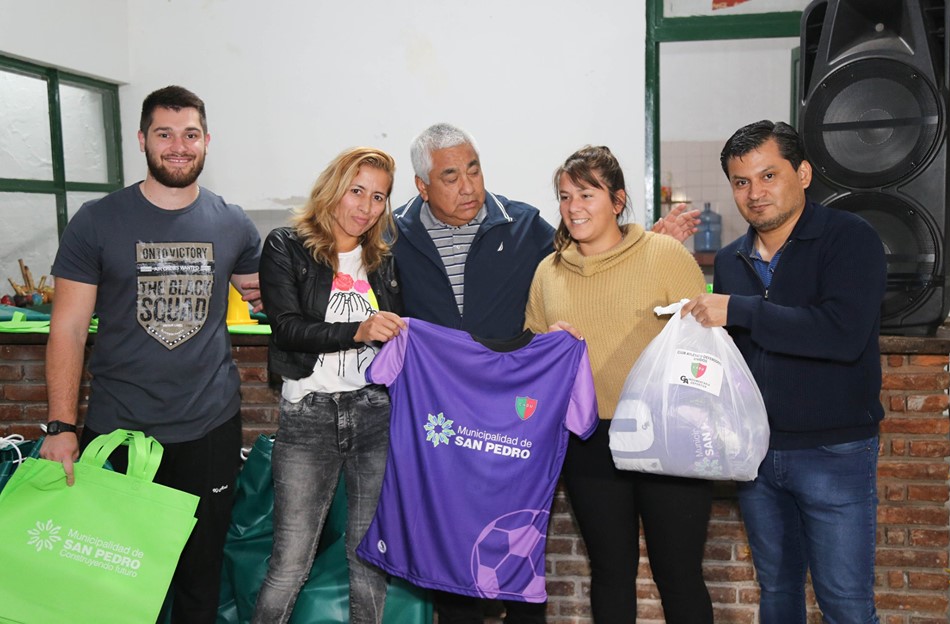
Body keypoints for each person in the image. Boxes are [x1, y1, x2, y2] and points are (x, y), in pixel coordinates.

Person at [391, 123, 701, 624]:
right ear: (423, 187)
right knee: (469, 557)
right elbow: (532, 342)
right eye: (451, 176)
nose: (469, 185)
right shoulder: (397, 238)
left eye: (474, 168)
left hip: (625, 433)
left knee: (671, 572)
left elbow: (692, 336)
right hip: (478, 427)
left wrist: (651, 243)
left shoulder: (522, 226)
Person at [41, 85, 262, 623]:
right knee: (112, 576)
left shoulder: (233, 223)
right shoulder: (96, 220)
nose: (178, 146)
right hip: (119, 429)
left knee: (198, 576)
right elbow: (68, 329)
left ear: (207, 141)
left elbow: (276, 301)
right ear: (143, 140)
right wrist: (59, 426)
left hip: (209, 428)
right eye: (165, 134)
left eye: (190, 134)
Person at [681, 120, 885, 623]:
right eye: (741, 181)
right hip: (757, 453)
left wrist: (741, 311)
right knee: (776, 594)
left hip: (833, 451)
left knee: (846, 606)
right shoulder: (731, 259)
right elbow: (737, 356)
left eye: (769, 176)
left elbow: (841, 335)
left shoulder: (850, 239)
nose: (755, 193)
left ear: (804, 173)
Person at [525, 145, 714, 624]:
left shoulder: (665, 255)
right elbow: (531, 353)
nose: (573, 207)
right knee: (610, 572)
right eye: (565, 196)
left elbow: (706, 345)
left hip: (669, 438)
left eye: (586, 194)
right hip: (589, 442)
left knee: (680, 575)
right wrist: (545, 344)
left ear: (617, 200)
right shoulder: (548, 271)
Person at [252, 147, 405, 624]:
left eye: (378, 196)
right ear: (333, 188)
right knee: (289, 565)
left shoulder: (382, 259)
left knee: (368, 564)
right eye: (357, 190)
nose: (366, 206)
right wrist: (357, 330)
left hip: (374, 415)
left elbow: (407, 332)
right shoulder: (286, 245)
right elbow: (288, 328)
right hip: (309, 417)